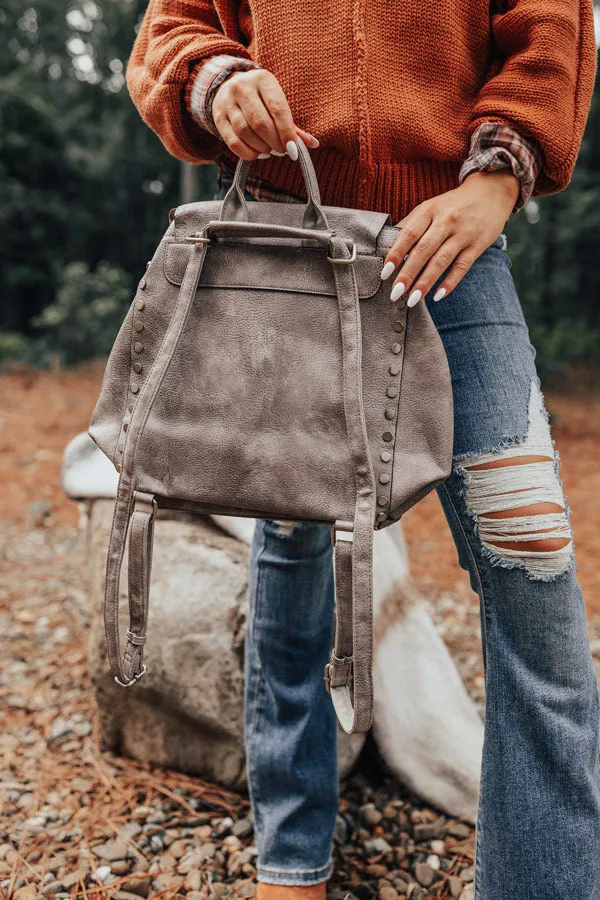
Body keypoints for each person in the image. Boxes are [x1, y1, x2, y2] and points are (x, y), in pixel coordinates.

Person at [125, 2, 600, 897]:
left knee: (530, 550)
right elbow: (171, 27)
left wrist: (498, 177)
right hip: (286, 244)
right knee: (295, 534)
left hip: (452, 246)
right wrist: (217, 83)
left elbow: (551, 30)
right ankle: (292, 853)